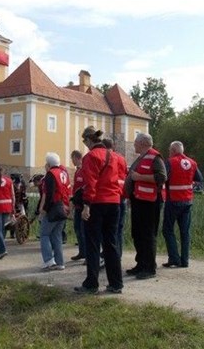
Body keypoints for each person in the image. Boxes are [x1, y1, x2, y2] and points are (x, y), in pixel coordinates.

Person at [74, 126, 124, 294]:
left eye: (84, 141)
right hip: (114, 203)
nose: (85, 145)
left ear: (88, 140)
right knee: (111, 244)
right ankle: (116, 283)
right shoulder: (114, 156)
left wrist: (86, 205)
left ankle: (92, 283)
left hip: (97, 203)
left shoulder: (90, 157)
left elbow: (91, 183)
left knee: (93, 244)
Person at [125, 133, 167, 280]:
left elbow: (162, 177)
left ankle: (149, 268)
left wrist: (139, 177)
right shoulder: (141, 157)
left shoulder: (155, 157)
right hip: (139, 200)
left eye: (135, 142)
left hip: (150, 202)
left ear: (143, 143)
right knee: (137, 234)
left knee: (148, 235)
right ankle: (141, 264)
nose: (134, 145)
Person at [162, 141, 202, 268]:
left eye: (170, 150)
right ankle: (185, 260)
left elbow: (164, 177)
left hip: (173, 200)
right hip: (187, 201)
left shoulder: (170, 162)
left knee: (168, 230)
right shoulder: (192, 162)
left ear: (173, 150)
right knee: (185, 232)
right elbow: (199, 178)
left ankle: (174, 258)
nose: (169, 152)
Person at [39, 153, 70, 271]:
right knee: (57, 235)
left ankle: (48, 261)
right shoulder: (64, 173)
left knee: (44, 234)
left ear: (48, 164)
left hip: (53, 207)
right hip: (63, 207)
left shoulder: (50, 174)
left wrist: (44, 209)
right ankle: (60, 262)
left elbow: (49, 195)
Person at [103, 138, 128, 259]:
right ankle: (118, 255)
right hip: (122, 195)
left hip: (110, 196)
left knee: (108, 229)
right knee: (119, 228)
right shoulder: (122, 158)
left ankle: (109, 256)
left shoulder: (106, 157)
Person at [70, 150, 85, 261]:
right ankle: (82, 252)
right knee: (77, 229)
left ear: (76, 158)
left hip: (84, 205)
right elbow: (75, 188)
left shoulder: (84, 170)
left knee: (84, 231)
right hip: (78, 205)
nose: (72, 161)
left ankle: (88, 255)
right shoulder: (77, 171)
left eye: (72, 159)